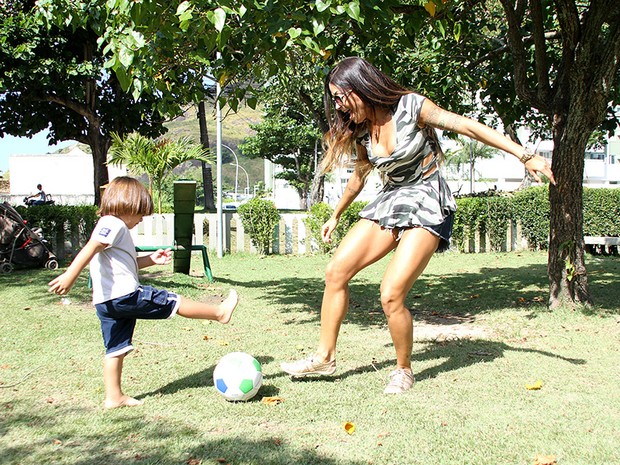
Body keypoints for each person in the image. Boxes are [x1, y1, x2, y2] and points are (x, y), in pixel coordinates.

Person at [281, 57, 555, 394]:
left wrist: (524, 155)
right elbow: (359, 177)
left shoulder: (412, 107)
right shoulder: (362, 130)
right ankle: (325, 357)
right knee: (335, 271)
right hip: (392, 200)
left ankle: (403, 370)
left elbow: (467, 126)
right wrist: (336, 214)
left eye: (340, 97)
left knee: (391, 294)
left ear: (361, 87)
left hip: (427, 200)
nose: (337, 107)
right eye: (334, 99)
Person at [48, 176, 238, 409]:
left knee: (116, 348)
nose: (141, 219)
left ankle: (113, 397)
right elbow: (91, 247)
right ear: (128, 205)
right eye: (140, 213)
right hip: (125, 295)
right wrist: (70, 275)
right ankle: (219, 313)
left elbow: (124, 265)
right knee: (173, 301)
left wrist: (150, 259)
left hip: (106, 303)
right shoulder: (112, 223)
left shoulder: (114, 228)